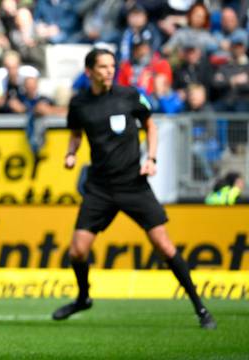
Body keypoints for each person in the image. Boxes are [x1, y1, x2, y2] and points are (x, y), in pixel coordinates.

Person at [52, 48, 217, 329]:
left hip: (133, 184)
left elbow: (150, 126)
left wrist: (151, 159)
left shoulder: (129, 95)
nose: (109, 71)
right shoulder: (79, 104)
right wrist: (71, 153)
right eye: (103, 67)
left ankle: (200, 309)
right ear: (89, 70)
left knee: (164, 246)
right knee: (77, 251)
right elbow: (76, 133)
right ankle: (83, 298)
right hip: (100, 187)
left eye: (112, 66)